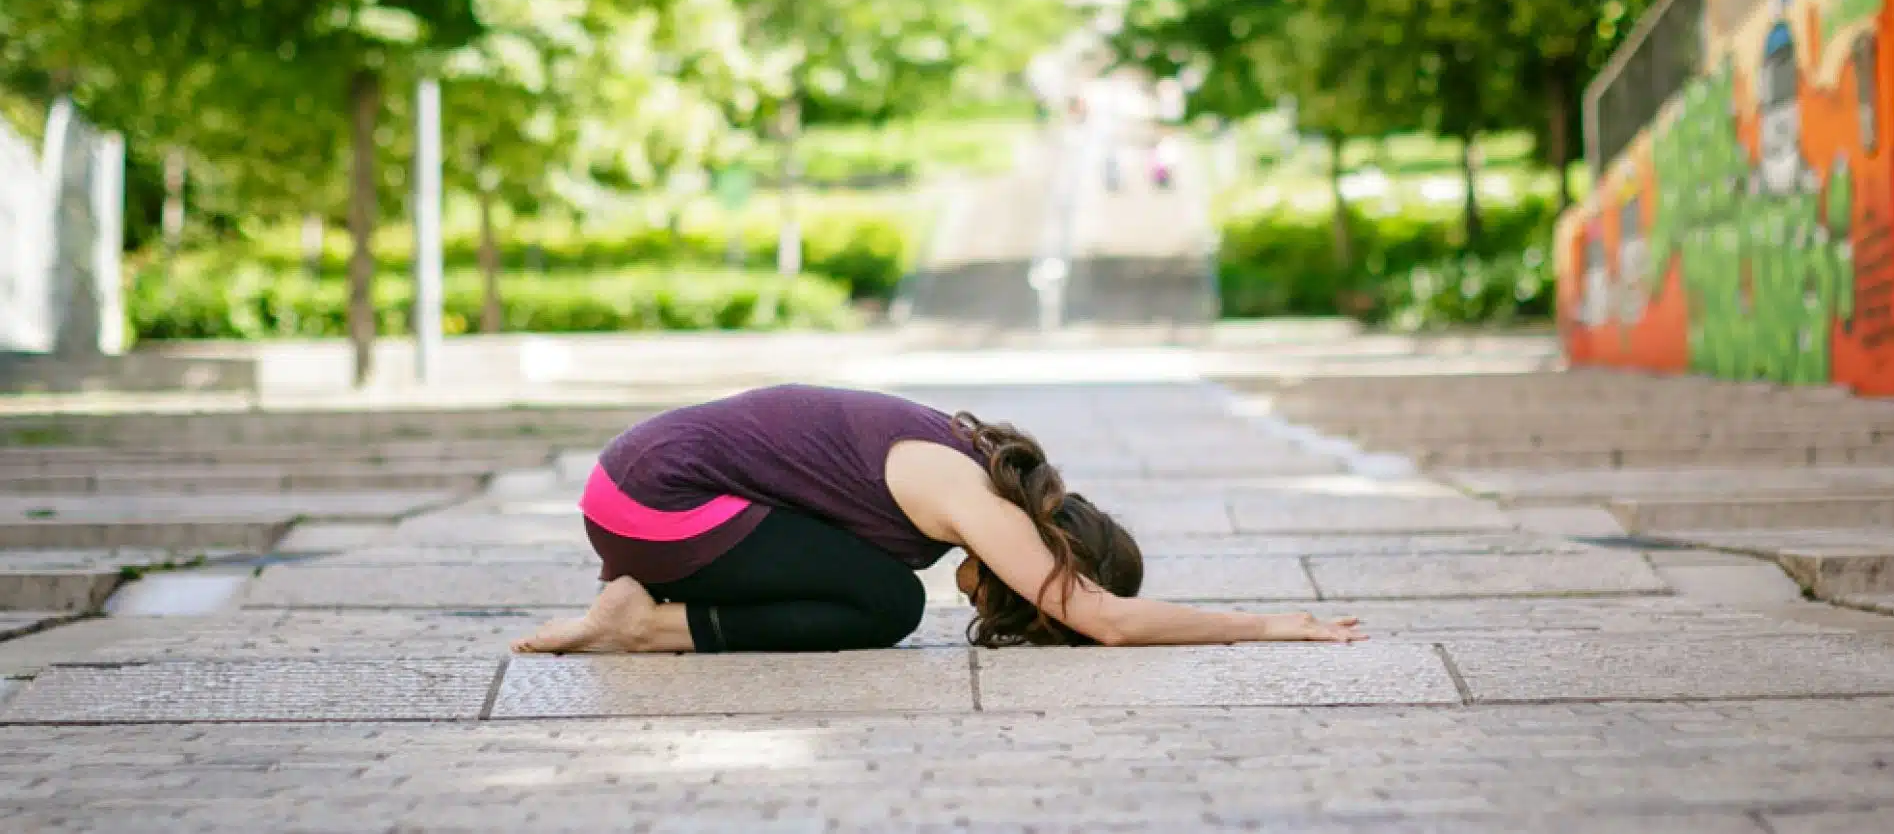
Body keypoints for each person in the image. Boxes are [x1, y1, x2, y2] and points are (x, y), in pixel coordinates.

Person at [512, 384, 1367, 655]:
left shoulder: (962, 458)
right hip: (661, 506)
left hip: (628, 490)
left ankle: (645, 606)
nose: (1007, 607)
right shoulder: (976, 501)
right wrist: (1264, 625)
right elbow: (1104, 621)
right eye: (1035, 601)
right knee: (890, 604)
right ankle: (650, 625)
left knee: (882, 588)